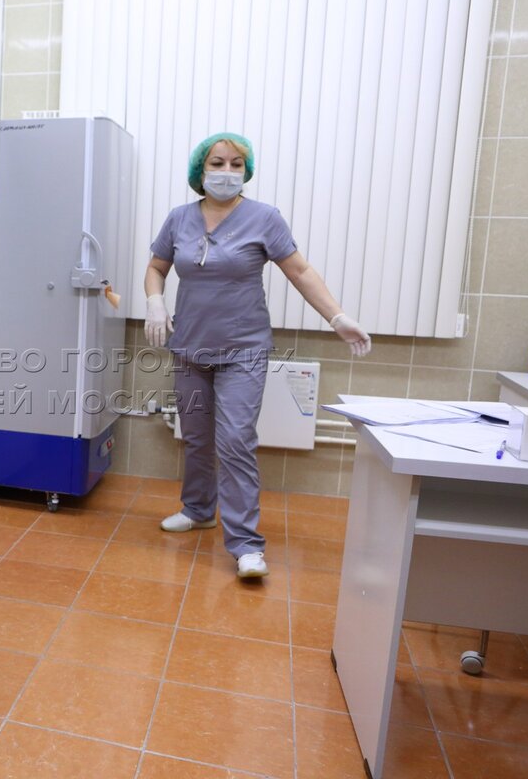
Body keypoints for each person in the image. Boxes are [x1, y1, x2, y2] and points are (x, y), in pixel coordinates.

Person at [143, 132, 371, 579]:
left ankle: (246, 545)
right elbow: (156, 267)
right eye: (217, 163)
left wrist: (337, 317)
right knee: (196, 437)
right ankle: (198, 510)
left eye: (236, 165)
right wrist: (154, 300)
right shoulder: (179, 219)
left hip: (243, 350)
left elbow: (300, 271)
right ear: (200, 170)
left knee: (235, 440)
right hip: (189, 345)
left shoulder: (264, 218)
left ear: (246, 171)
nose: (227, 172)